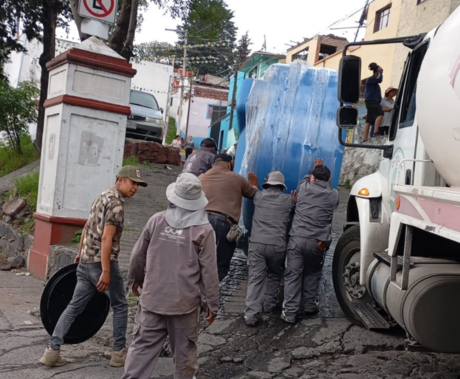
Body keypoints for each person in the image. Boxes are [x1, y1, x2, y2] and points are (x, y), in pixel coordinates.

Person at [39, 166, 148, 368]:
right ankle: (118, 354)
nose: (135, 188)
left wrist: (80, 253)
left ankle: (52, 351)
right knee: (120, 305)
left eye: (138, 185)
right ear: (121, 180)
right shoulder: (116, 204)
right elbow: (106, 237)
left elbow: (87, 227)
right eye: (132, 183)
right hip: (101, 263)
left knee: (74, 306)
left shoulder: (102, 196)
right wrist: (106, 271)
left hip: (86, 262)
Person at [122, 173, 219, 379]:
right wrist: (212, 303)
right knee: (184, 361)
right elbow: (209, 271)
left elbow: (137, 255)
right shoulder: (204, 230)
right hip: (184, 306)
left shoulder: (156, 221)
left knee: (140, 354)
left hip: (152, 300)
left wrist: (136, 280)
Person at [282, 159, 339, 324]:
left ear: (313, 177)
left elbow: (305, 179)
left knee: (293, 275)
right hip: (318, 243)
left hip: (297, 239)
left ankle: (289, 314)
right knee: (313, 273)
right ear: (328, 180)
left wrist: (312, 170)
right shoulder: (334, 194)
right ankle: (308, 305)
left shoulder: (304, 188)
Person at [244, 171, 296, 326]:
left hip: (257, 244)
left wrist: (253, 183)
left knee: (256, 278)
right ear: (282, 186)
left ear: (267, 183)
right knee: (274, 274)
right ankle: (269, 306)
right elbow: (295, 203)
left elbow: (252, 190)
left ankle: (251, 316)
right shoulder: (288, 200)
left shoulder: (258, 196)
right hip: (277, 246)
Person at [199, 154, 259, 282]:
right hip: (222, 224)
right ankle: (208, 295)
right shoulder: (237, 178)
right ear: (229, 164)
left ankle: (195, 293)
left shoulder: (201, 178)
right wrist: (254, 185)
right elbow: (255, 195)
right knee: (220, 265)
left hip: (199, 222)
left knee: (199, 261)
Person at [363, 63, 384, 142]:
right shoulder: (371, 79)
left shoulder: (372, 81)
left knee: (369, 119)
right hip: (372, 100)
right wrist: (380, 72)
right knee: (380, 114)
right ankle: (375, 132)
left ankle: (365, 139)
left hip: (370, 101)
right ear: (376, 73)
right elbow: (380, 79)